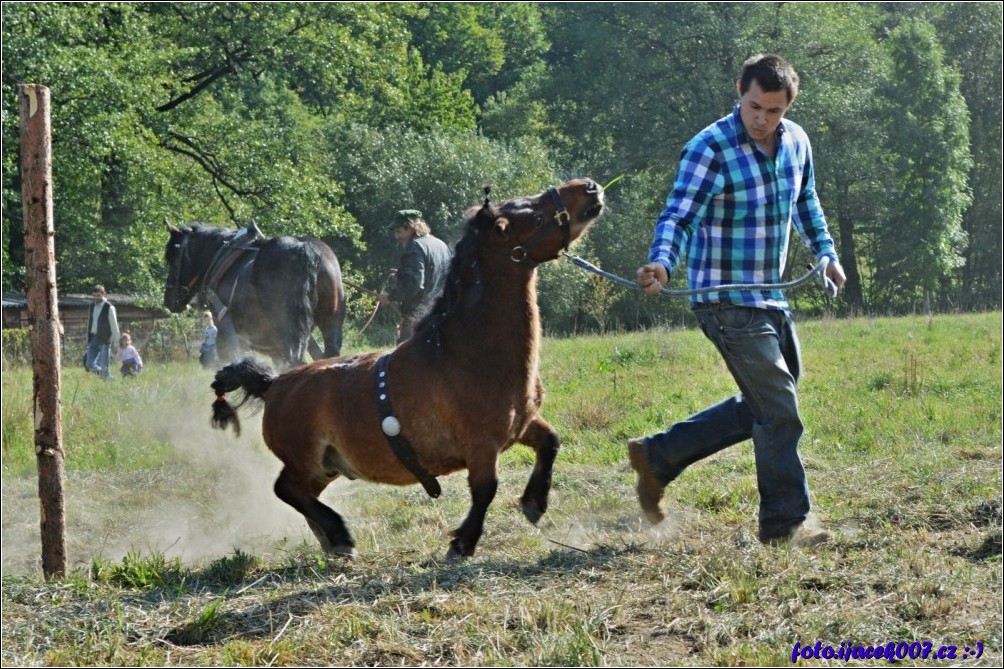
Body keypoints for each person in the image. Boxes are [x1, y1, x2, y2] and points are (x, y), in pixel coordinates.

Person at [629, 54, 847, 548]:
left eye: (773, 111)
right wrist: (662, 263)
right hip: (723, 299)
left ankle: (659, 456)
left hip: (770, 296)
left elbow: (806, 201)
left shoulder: (798, 144)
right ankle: (785, 526)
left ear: (788, 106)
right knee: (779, 411)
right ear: (739, 91)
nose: (761, 119)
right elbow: (678, 216)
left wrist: (826, 253)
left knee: (766, 403)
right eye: (753, 106)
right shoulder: (710, 148)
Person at [379, 210, 453, 343]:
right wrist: (401, 275)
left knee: (404, 361)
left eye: (399, 231)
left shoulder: (414, 247)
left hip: (418, 319)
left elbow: (414, 284)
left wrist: (390, 297)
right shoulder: (441, 244)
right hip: (442, 315)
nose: (396, 236)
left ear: (411, 228)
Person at [84, 284, 120, 380]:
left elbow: (114, 326)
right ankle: (107, 376)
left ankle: (107, 377)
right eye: (94, 296)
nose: (96, 298)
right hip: (93, 338)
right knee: (89, 365)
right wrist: (87, 338)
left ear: (104, 294)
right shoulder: (92, 306)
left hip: (104, 339)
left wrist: (116, 343)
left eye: (98, 295)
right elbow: (90, 322)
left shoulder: (109, 307)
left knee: (104, 367)